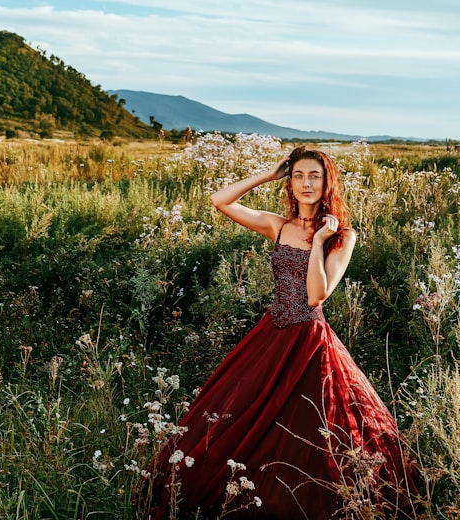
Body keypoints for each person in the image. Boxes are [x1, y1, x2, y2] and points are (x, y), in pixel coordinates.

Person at [140, 146, 422, 519]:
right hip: (272, 333)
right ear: (290, 183)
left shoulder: (343, 236)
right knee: (246, 413)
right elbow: (220, 200)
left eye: (314, 176)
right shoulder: (279, 225)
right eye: (298, 176)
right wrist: (267, 174)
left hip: (310, 339)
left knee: (311, 424)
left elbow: (317, 295)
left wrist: (319, 243)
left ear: (327, 183)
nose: (306, 183)